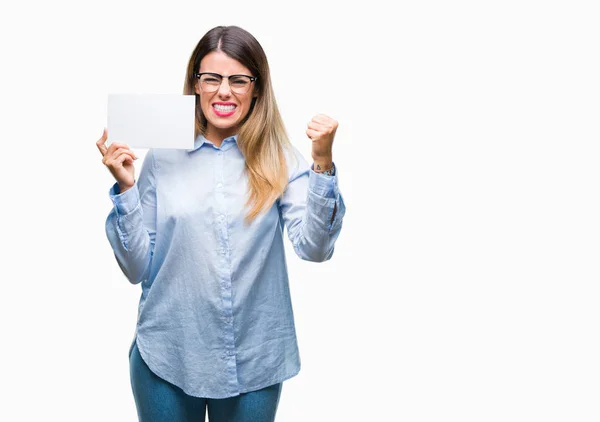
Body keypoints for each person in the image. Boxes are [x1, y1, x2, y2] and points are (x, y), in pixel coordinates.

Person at [96, 25, 345, 422]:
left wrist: (323, 162)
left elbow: (314, 249)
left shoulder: (282, 157)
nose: (223, 91)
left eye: (238, 79)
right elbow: (135, 268)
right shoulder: (163, 157)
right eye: (211, 78)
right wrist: (125, 188)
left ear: (257, 88)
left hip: (255, 358)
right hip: (168, 355)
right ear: (196, 84)